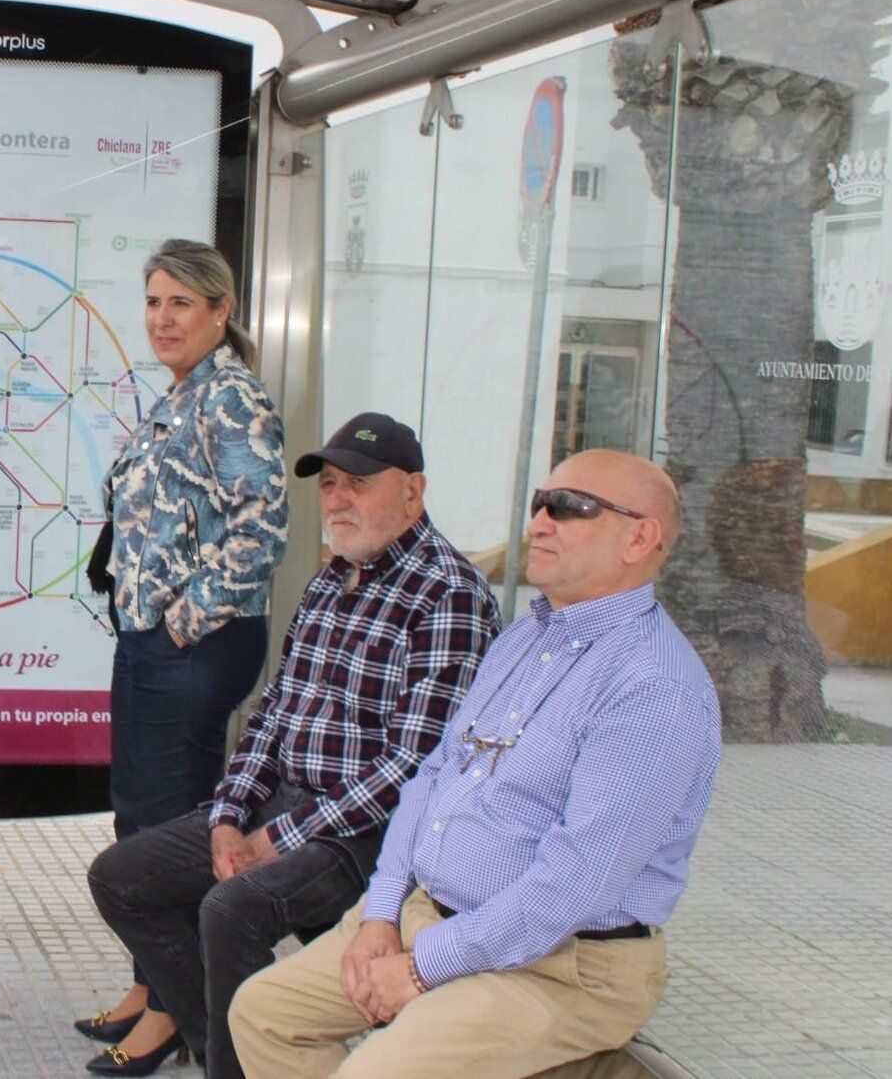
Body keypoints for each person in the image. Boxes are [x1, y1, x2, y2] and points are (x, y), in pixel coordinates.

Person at [229, 449, 721, 1079]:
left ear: (639, 537)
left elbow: (575, 884)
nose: (540, 521)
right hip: (427, 915)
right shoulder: (527, 635)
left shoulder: (653, 686)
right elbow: (433, 777)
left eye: (568, 508)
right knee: (265, 1012)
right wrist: (381, 912)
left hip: (562, 967)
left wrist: (419, 967)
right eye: (541, 501)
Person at [85, 413, 499, 1077]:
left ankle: (233, 1063)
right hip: (288, 805)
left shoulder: (446, 595)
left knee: (232, 909)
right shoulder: (331, 583)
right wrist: (227, 816)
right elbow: (273, 714)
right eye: (329, 483)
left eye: (359, 484)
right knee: (122, 878)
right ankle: (226, 1055)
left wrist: (276, 839)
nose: (337, 499)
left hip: (373, 833)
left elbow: (411, 766)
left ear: (413, 492)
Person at [78, 239, 287, 1068]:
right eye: (154, 302)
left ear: (221, 310)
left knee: (168, 826)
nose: (163, 318)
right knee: (141, 817)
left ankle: (175, 1012)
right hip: (154, 638)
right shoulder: (186, 392)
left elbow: (260, 530)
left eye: (181, 304)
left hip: (195, 646)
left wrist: (181, 621)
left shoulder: (230, 398)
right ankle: (148, 987)